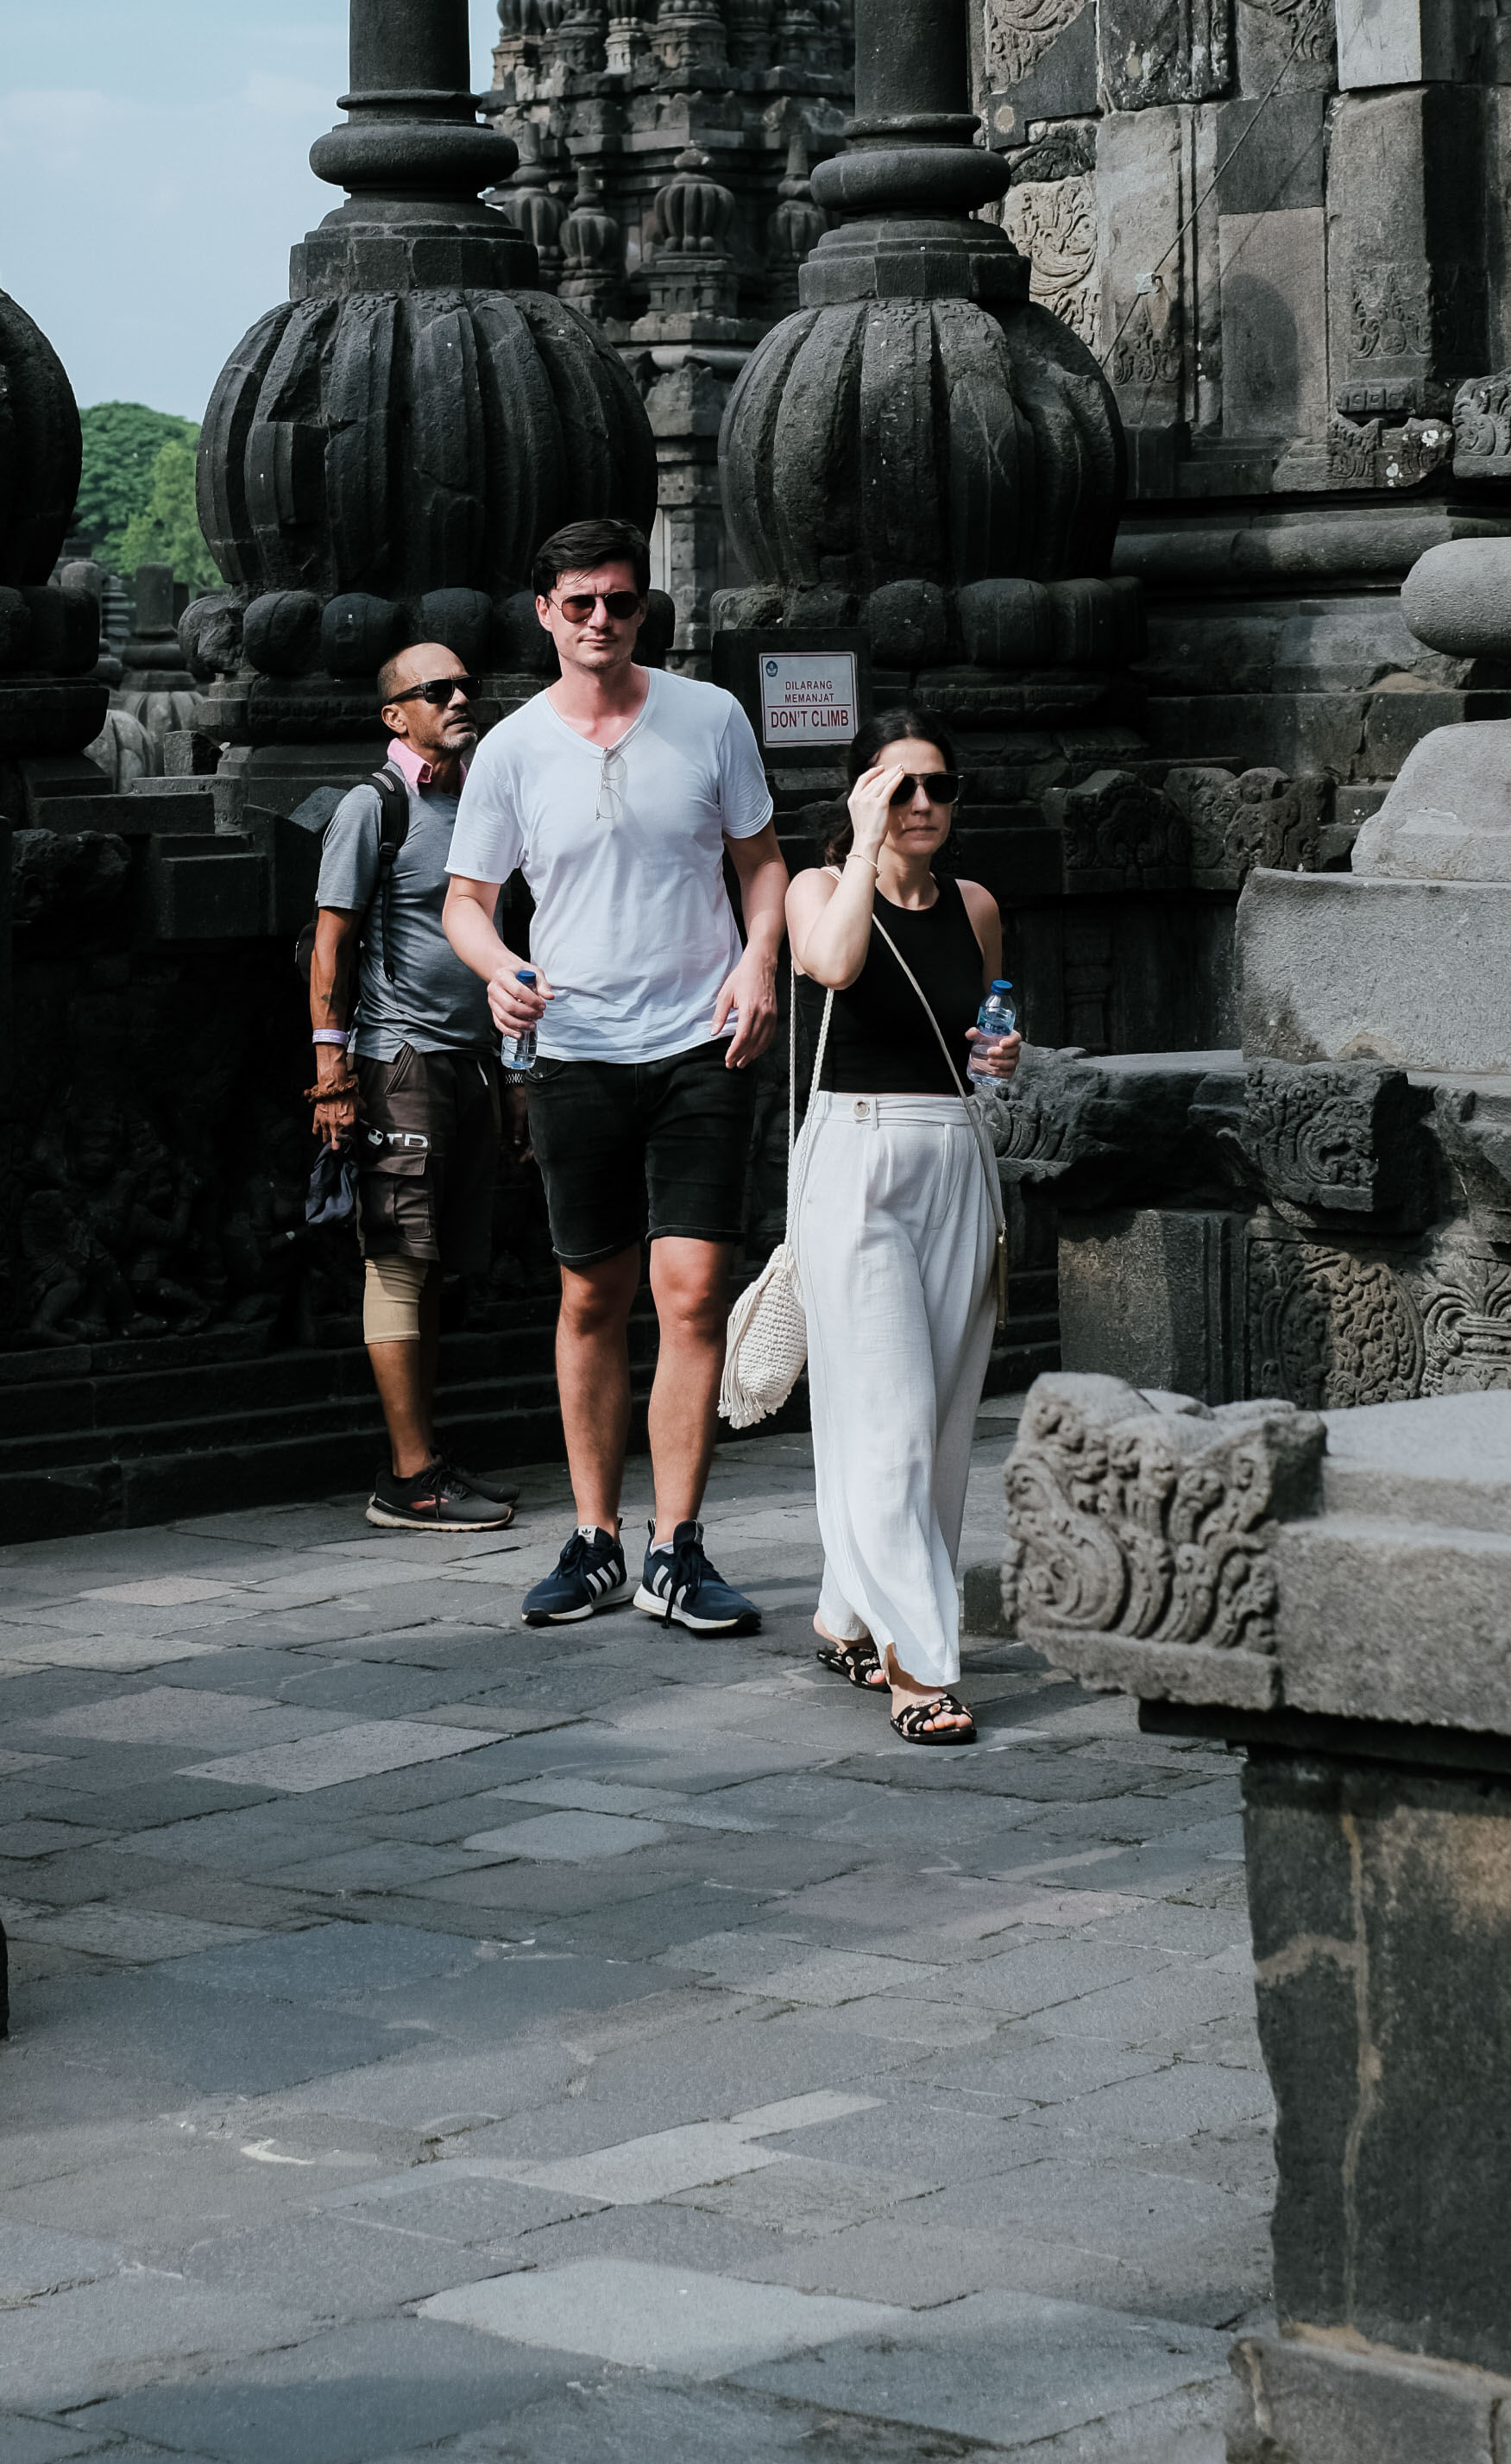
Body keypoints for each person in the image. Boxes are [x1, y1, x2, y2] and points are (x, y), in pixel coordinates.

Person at [444, 516, 787, 1636]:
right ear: (545, 612)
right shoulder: (511, 750)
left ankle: (675, 1548)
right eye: (580, 602)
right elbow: (467, 902)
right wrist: (500, 969)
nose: (602, 620)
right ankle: (594, 1538)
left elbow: (762, 863)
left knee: (692, 1294)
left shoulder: (710, 717)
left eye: (621, 602)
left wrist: (758, 962)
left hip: (701, 1042)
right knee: (592, 1293)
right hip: (577, 1046)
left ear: (645, 610)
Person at [782, 707, 1021, 1745]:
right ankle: (919, 1664)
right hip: (855, 1157)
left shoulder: (974, 904)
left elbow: (979, 1045)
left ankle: (848, 1615)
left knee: (941, 1417)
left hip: (954, 1151)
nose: (922, 802)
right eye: (897, 785)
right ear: (861, 792)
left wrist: (998, 1060)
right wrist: (862, 847)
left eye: (937, 785)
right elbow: (833, 968)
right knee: (887, 1414)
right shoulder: (814, 889)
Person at [310, 640, 519, 1534]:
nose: (459, 698)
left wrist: (514, 1068)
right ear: (396, 714)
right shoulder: (375, 806)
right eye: (437, 690)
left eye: (467, 686)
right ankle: (407, 1476)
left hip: (471, 1058)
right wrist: (331, 1074)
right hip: (398, 1056)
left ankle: (422, 1456)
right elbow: (331, 943)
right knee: (397, 1257)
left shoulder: (483, 801)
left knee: (433, 1263)